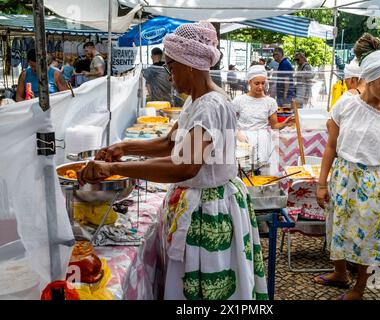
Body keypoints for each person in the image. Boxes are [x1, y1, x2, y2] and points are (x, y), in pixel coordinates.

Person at [78, 21, 268, 300]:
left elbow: (184, 166)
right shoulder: (197, 100)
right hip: (203, 201)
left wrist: (114, 168)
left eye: (170, 66)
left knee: (207, 291)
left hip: (209, 210)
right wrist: (123, 147)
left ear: (188, 64)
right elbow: (169, 143)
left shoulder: (211, 106)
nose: (169, 75)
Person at [314, 33, 380, 300]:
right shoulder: (345, 104)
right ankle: (340, 273)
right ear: (367, 79)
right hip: (343, 176)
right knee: (338, 226)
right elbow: (331, 146)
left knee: (368, 235)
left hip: (373, 182)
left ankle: (359, 288)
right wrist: (322, 183)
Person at [233, 65, 294, 175]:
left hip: (262, 141)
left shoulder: (270, 102)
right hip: (243, 140)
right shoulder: (239, 100)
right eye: (257, 83)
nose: (260, 87)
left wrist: (284, 124)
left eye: (263, 83)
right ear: (249, 82)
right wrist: (238, 134)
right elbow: (229, 122)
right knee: (244, 174)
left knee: (261, 174)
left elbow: (274, 125)